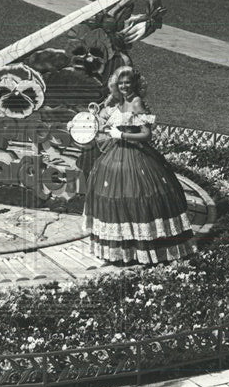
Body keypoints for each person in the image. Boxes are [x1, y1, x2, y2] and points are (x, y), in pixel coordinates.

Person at [82, 66, 195, 265]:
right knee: (116, 197)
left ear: (135, 83)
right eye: (121, 83)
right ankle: (124, 248)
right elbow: (100, 121)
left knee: (138, 195)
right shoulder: (116, 102)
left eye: (128, 82)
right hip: (116, 154)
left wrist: (122, 134)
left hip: (136, 156)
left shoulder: (136, 102)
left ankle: (144, 248)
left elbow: (147, 134)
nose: (124, 86)